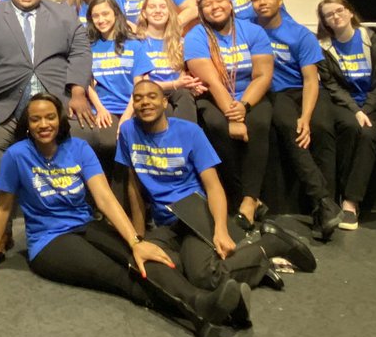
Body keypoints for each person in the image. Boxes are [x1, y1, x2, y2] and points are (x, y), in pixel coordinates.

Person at [0, 93, 249, 337]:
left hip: (86, 225)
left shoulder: (78, 148)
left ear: (60, 119)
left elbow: (104, 197)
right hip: (50, 241)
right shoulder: (17, 155)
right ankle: (199, 308)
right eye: (36, 119)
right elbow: (2, 209)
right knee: (121, 275)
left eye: (50, 117)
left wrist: (135, 240)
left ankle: (207, 310)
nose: (44, 124)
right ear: (27, 124)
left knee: (141, 257)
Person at [118, 80, 317, 293]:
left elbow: (213, 187)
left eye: (152, 97)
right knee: (147, 264)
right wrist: (139, 236)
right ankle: (251, 266)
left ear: (165, 102)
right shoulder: (129, 131)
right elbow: (133, 185)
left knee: (204, 277)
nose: (145, 103)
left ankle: (272, 243)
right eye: (138, 98)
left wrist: (220, 230)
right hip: (166, 223)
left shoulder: (190, 132)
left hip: (195, 217)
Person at [0, 0, 95, 235]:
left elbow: (81, 51)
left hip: (57, 104)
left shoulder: (65, 15)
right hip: (2, 104)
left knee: (86, 134)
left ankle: (79, 221)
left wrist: (78, 92)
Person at [249, 0, 342, 241]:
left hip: (305, 90)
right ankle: (323, 203)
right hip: (276, 93)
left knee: (322, 128)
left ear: (280, 0)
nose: (262, 2)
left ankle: (323, 207)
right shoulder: (250, 29)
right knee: (292, 130)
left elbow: (311, 79)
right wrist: (299, 122)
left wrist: (307, 117)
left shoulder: (299, 34)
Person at [183, 0, 274, 228]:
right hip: (214, 96)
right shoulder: (196, 36)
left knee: (260, 123)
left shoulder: (252, 31)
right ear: (201, 12)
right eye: (208, 5)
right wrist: (232, 117)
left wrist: (243, 106)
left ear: (230, 4)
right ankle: (242, 195)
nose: (215, 7)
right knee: (216, 124)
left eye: (220, 1)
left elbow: (263, 75)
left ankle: (248, 199)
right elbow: (212, 80)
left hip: (250, 95)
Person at [315, 0, 376, 231]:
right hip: (346, 105)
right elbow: (332, 86)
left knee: (367, 134)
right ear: (325, 21)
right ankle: (334, 195)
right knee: (349, 127)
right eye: (329, 15)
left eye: (339, 11)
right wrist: (355, 110)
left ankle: (351, 202)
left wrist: (366, 110)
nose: (335, 17)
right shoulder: (324, 47)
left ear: (349, 12)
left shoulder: (372, 40)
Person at [83, 0, 153, 187]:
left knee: (132, 144)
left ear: (116, 14)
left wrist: (127, 117)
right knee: (109, 144)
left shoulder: (134, 45)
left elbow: (140, 86)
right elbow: (87, 84)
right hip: (106, 110)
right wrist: (100, 108)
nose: (101, 20)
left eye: (105, 14)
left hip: (133, 108)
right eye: (96, 16)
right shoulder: (89, 47)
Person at [135, 0, 205, 122]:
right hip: (151, 91)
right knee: (163, 106)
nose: (158, 11)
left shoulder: (180, 41)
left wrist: (190, 83)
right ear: (144, 13)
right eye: (152, 7)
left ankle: (187, 140)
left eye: (163, 6)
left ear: (169, 12)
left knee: (185, 95)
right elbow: (144, 83)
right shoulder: (137, 43)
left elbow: (182, 73)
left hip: (178, 90)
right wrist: (176, 84)